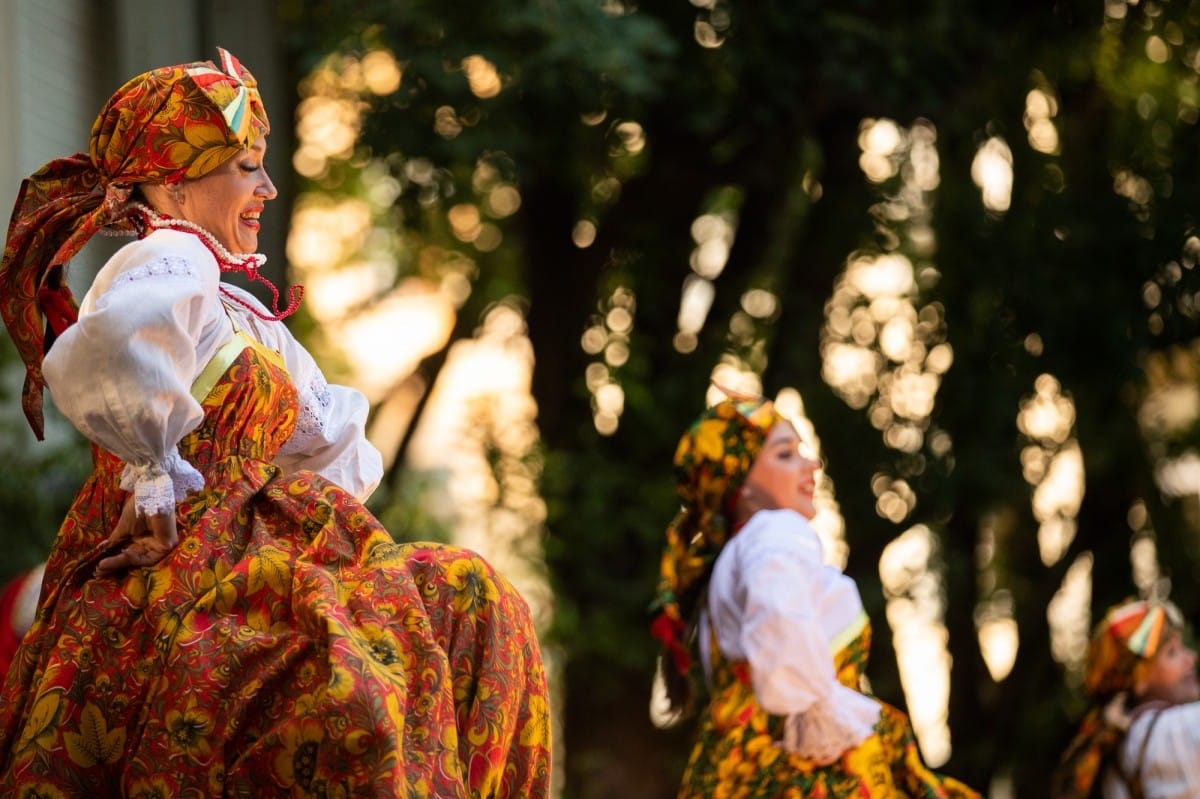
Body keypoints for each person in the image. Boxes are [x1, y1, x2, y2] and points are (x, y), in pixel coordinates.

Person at [0, 48, 550, 798]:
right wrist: (155, 481)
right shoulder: (167, 259)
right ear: (174, 181)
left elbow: (332, 445)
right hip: (186, 562)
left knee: (473, 599)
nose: (269, 187)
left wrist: (353, 551)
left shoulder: (243, 312)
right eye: (247, 167)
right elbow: (117, 352)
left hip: (261, 549)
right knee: (360, 675)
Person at [649, 393, 979, 797]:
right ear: (739, 480)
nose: (812, 464)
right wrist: (833, 725)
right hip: (794, 769)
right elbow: (781, 628)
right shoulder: (775, 533)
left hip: (735, 773)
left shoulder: (729, 562)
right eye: (786, 454)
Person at [1052, 598, 1200, 798]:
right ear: (1139, 680)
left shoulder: (1113, 745)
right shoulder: (1173, 730)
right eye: (1172, 653)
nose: (1191, 658)